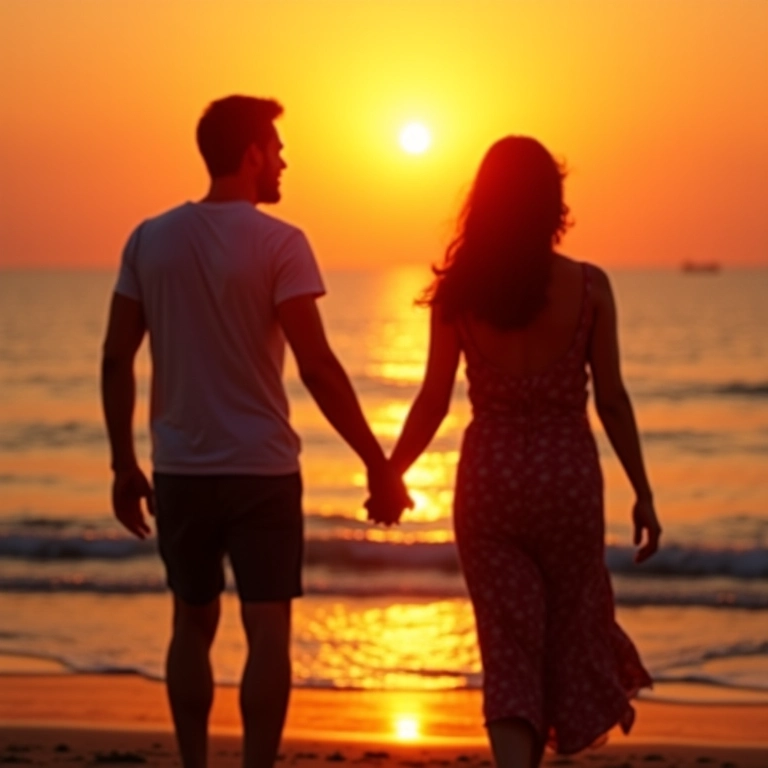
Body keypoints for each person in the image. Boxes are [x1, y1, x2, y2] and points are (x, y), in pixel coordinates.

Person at [101, 95, 410, 768]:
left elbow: (114, 357)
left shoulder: (148, 238)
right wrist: (377, 462)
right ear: (250, 155)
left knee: (191, 622)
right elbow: (319, 368)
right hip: (263, 470)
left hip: (181, 467)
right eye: (276, 148)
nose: (284, 161)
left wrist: (125, 464)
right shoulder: (280, 242)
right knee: (268, 627)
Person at [367, 136, 661, 767]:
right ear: (553, 202)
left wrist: (391, 472)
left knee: (508, 650)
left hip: (490, 484)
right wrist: (644, 491)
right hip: (568, 485)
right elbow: (611, 399)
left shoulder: (459, 292)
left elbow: (432, 400)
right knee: (563, 639)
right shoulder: (589, 287)